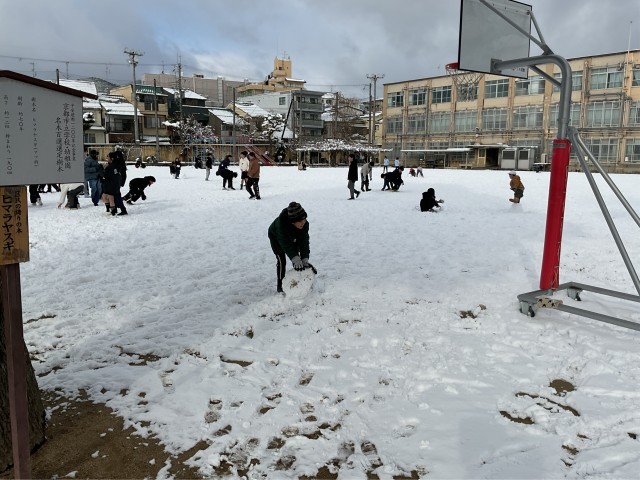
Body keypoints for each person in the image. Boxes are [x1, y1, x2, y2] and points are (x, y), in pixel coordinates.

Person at [268, 202, 310, 294]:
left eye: (304, 219)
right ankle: (280, 285)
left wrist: (304, 258)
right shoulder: (281, 226)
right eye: (300, 221)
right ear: (293, 221)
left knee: (297, 258)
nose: (303, 222)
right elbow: (285, 244)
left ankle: (298, 279)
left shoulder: (304, 224)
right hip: (276, 238)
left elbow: (304, 241)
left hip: (293, 236)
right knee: (282, 261)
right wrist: (294, 258)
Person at [102, 151, 126, 216]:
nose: (107, 158)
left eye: (108, 156)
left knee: (115, 196)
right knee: (114, 196)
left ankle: (121, 209)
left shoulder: (113, 166)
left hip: (113, 183)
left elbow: (106, 175)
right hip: (116, 183)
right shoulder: (118, 164)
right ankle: (116, 209)